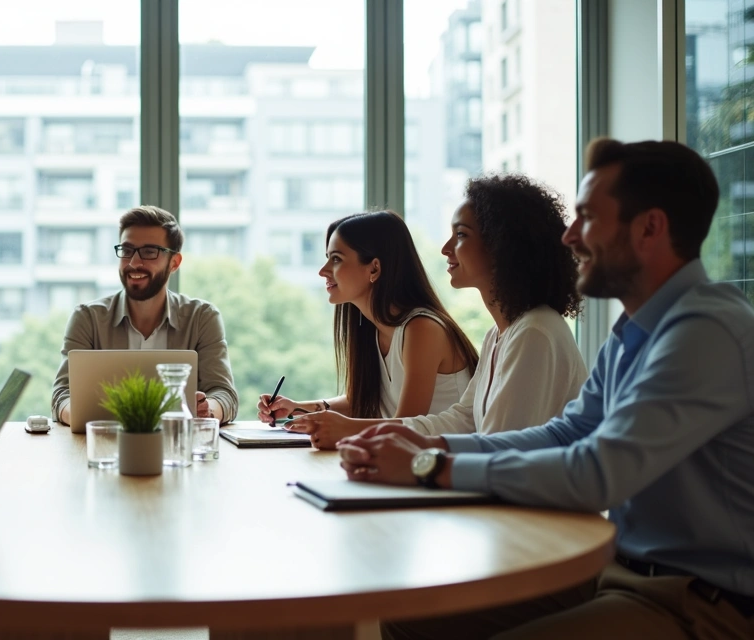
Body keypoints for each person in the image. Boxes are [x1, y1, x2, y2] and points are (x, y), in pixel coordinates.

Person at [342, 138, 754, 639]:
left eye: (588, 218)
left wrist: (430, 466)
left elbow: (598, 470)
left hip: (700, 603)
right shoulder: (634, 332)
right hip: (623, 574)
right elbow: (567, 432)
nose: (570, 237)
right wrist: (427, 445)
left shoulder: (705, 331)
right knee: (407, 618)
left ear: (650, 227)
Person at [269, 177, 588, 443]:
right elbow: (463, 420)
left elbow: (497, 450)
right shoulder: (499, 335)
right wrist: (338, 421)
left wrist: (353, 430)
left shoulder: (534, 333)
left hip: (532, 516)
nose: (446, 249)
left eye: (461, 235)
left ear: (503, 245)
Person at [258, 211, 479, 449]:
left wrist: (342, 429)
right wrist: (299, 408)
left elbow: (405, 429)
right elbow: (362, 399)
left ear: (374, 269)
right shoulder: (373, 329)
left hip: (444, 466)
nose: (323, 271)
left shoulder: (422, 329)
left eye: (336, 259)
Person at [52, 205, 238, 425]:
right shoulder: (87, 318)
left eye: (149, 252)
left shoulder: (202, 318)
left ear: (174, 263)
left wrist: (207, 410)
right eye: (127, 250)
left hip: (179, 446)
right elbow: (62, 395)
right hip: (105, 446)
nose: (134, 263)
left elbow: (224, 394)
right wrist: (82, 413)